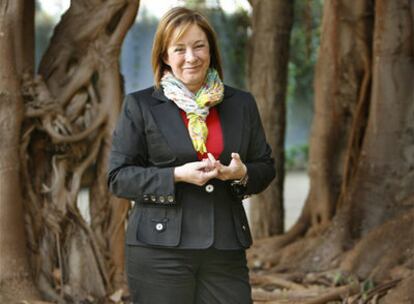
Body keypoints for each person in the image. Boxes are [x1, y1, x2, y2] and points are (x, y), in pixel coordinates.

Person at [107, 6, 275, 304]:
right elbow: (119, 178)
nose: (191, 57)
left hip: (225, 248)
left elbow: (265, 166)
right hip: (159, 251)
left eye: (199, 46)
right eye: (179, 48)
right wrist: (176, 175)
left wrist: (241, 173)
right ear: (164, 56)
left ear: (210, 50)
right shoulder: (140, 105)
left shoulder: (241, 103)